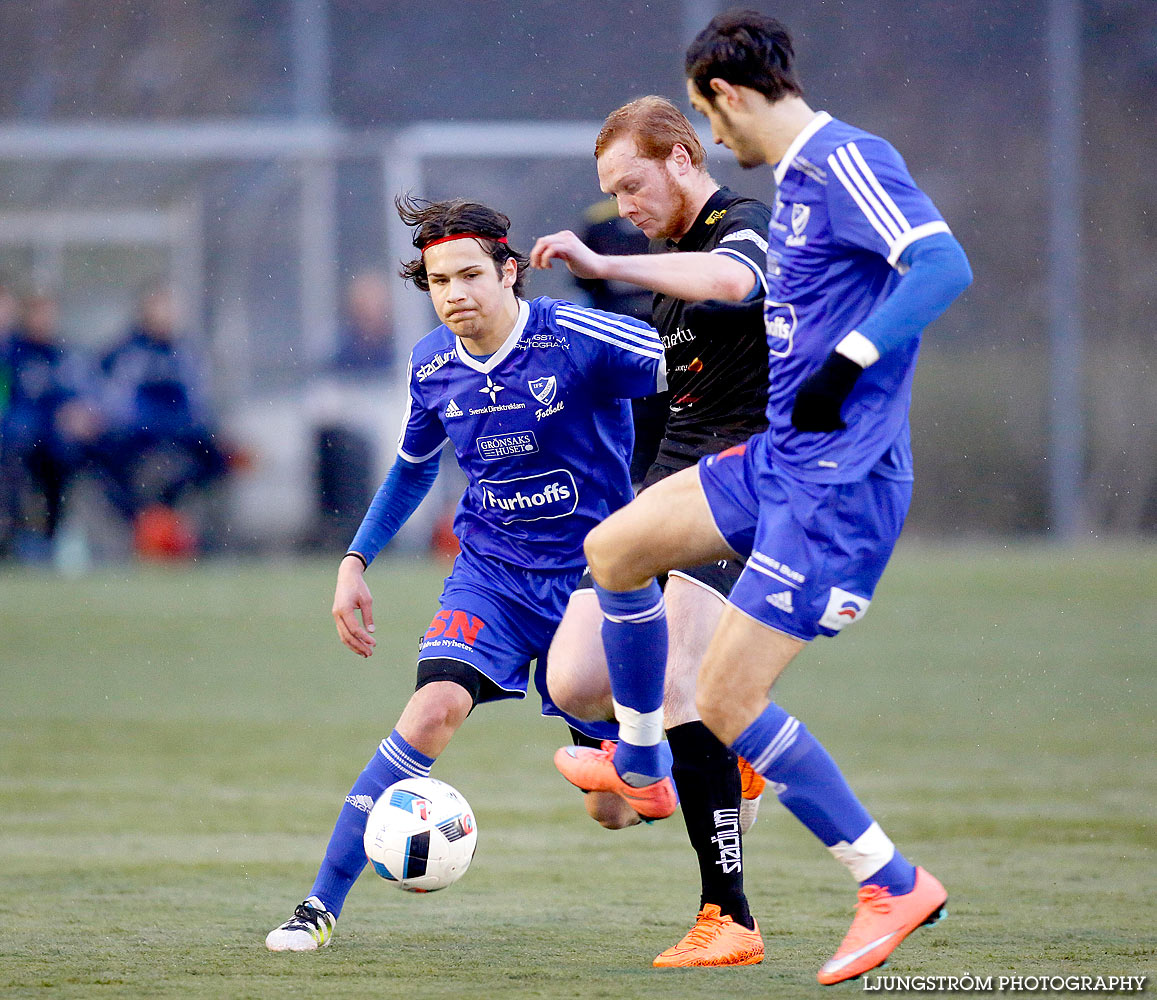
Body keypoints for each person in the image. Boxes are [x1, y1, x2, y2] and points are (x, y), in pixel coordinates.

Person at [553, 10, 973, 985]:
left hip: (838, 484)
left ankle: (887, 881)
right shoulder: (791, 196)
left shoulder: (842, 158)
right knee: (612, 551)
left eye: (710, 117)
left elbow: (941, 263)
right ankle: (646, 763)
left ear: (720, 102)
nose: (722, 143)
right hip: (774, 463)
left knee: (727, 695)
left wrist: (854, 359)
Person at [265, 195, 667, 951]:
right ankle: (317, 907)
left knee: (618, 810)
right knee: (429, 711)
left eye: (469, 275)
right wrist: (355, 559)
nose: (454, 293)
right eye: (438, 280)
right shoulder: (431, 364)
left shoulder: (578, 336)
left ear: (510, 272)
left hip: (595, 581)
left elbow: (699, 379)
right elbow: (412, 469)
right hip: (492, 576)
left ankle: (686, 756)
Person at [530, 95, 773, 967]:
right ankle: (703, 755)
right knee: (572, 675)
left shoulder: (740, 228)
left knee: (680, 686)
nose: (624, 206)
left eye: (632, 185)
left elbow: (735, 282)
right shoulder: (672, 271)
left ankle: (729, 917)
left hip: (743, 485)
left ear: (680, 157)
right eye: (610, 193)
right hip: (671, 486)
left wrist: (601, 259)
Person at [96, 284, 228, 556]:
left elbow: (199, 403)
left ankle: (189, 539)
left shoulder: (186, 352)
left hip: (182, 439)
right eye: (160, 305)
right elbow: (115, 405)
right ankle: (141, 535)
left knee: (219, 459)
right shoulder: (127, 352)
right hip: (138, 442)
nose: (167, 313)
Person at [0, 292, 101, 561]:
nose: (44, 320)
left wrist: (83, 414)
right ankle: (15, 538)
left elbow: (84, 396)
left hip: (56, 445)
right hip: (17, 442)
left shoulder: (64, 357)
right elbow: (5, 403)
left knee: (70, 464)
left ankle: (54, 538)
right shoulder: (12, 357)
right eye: (38, 313)